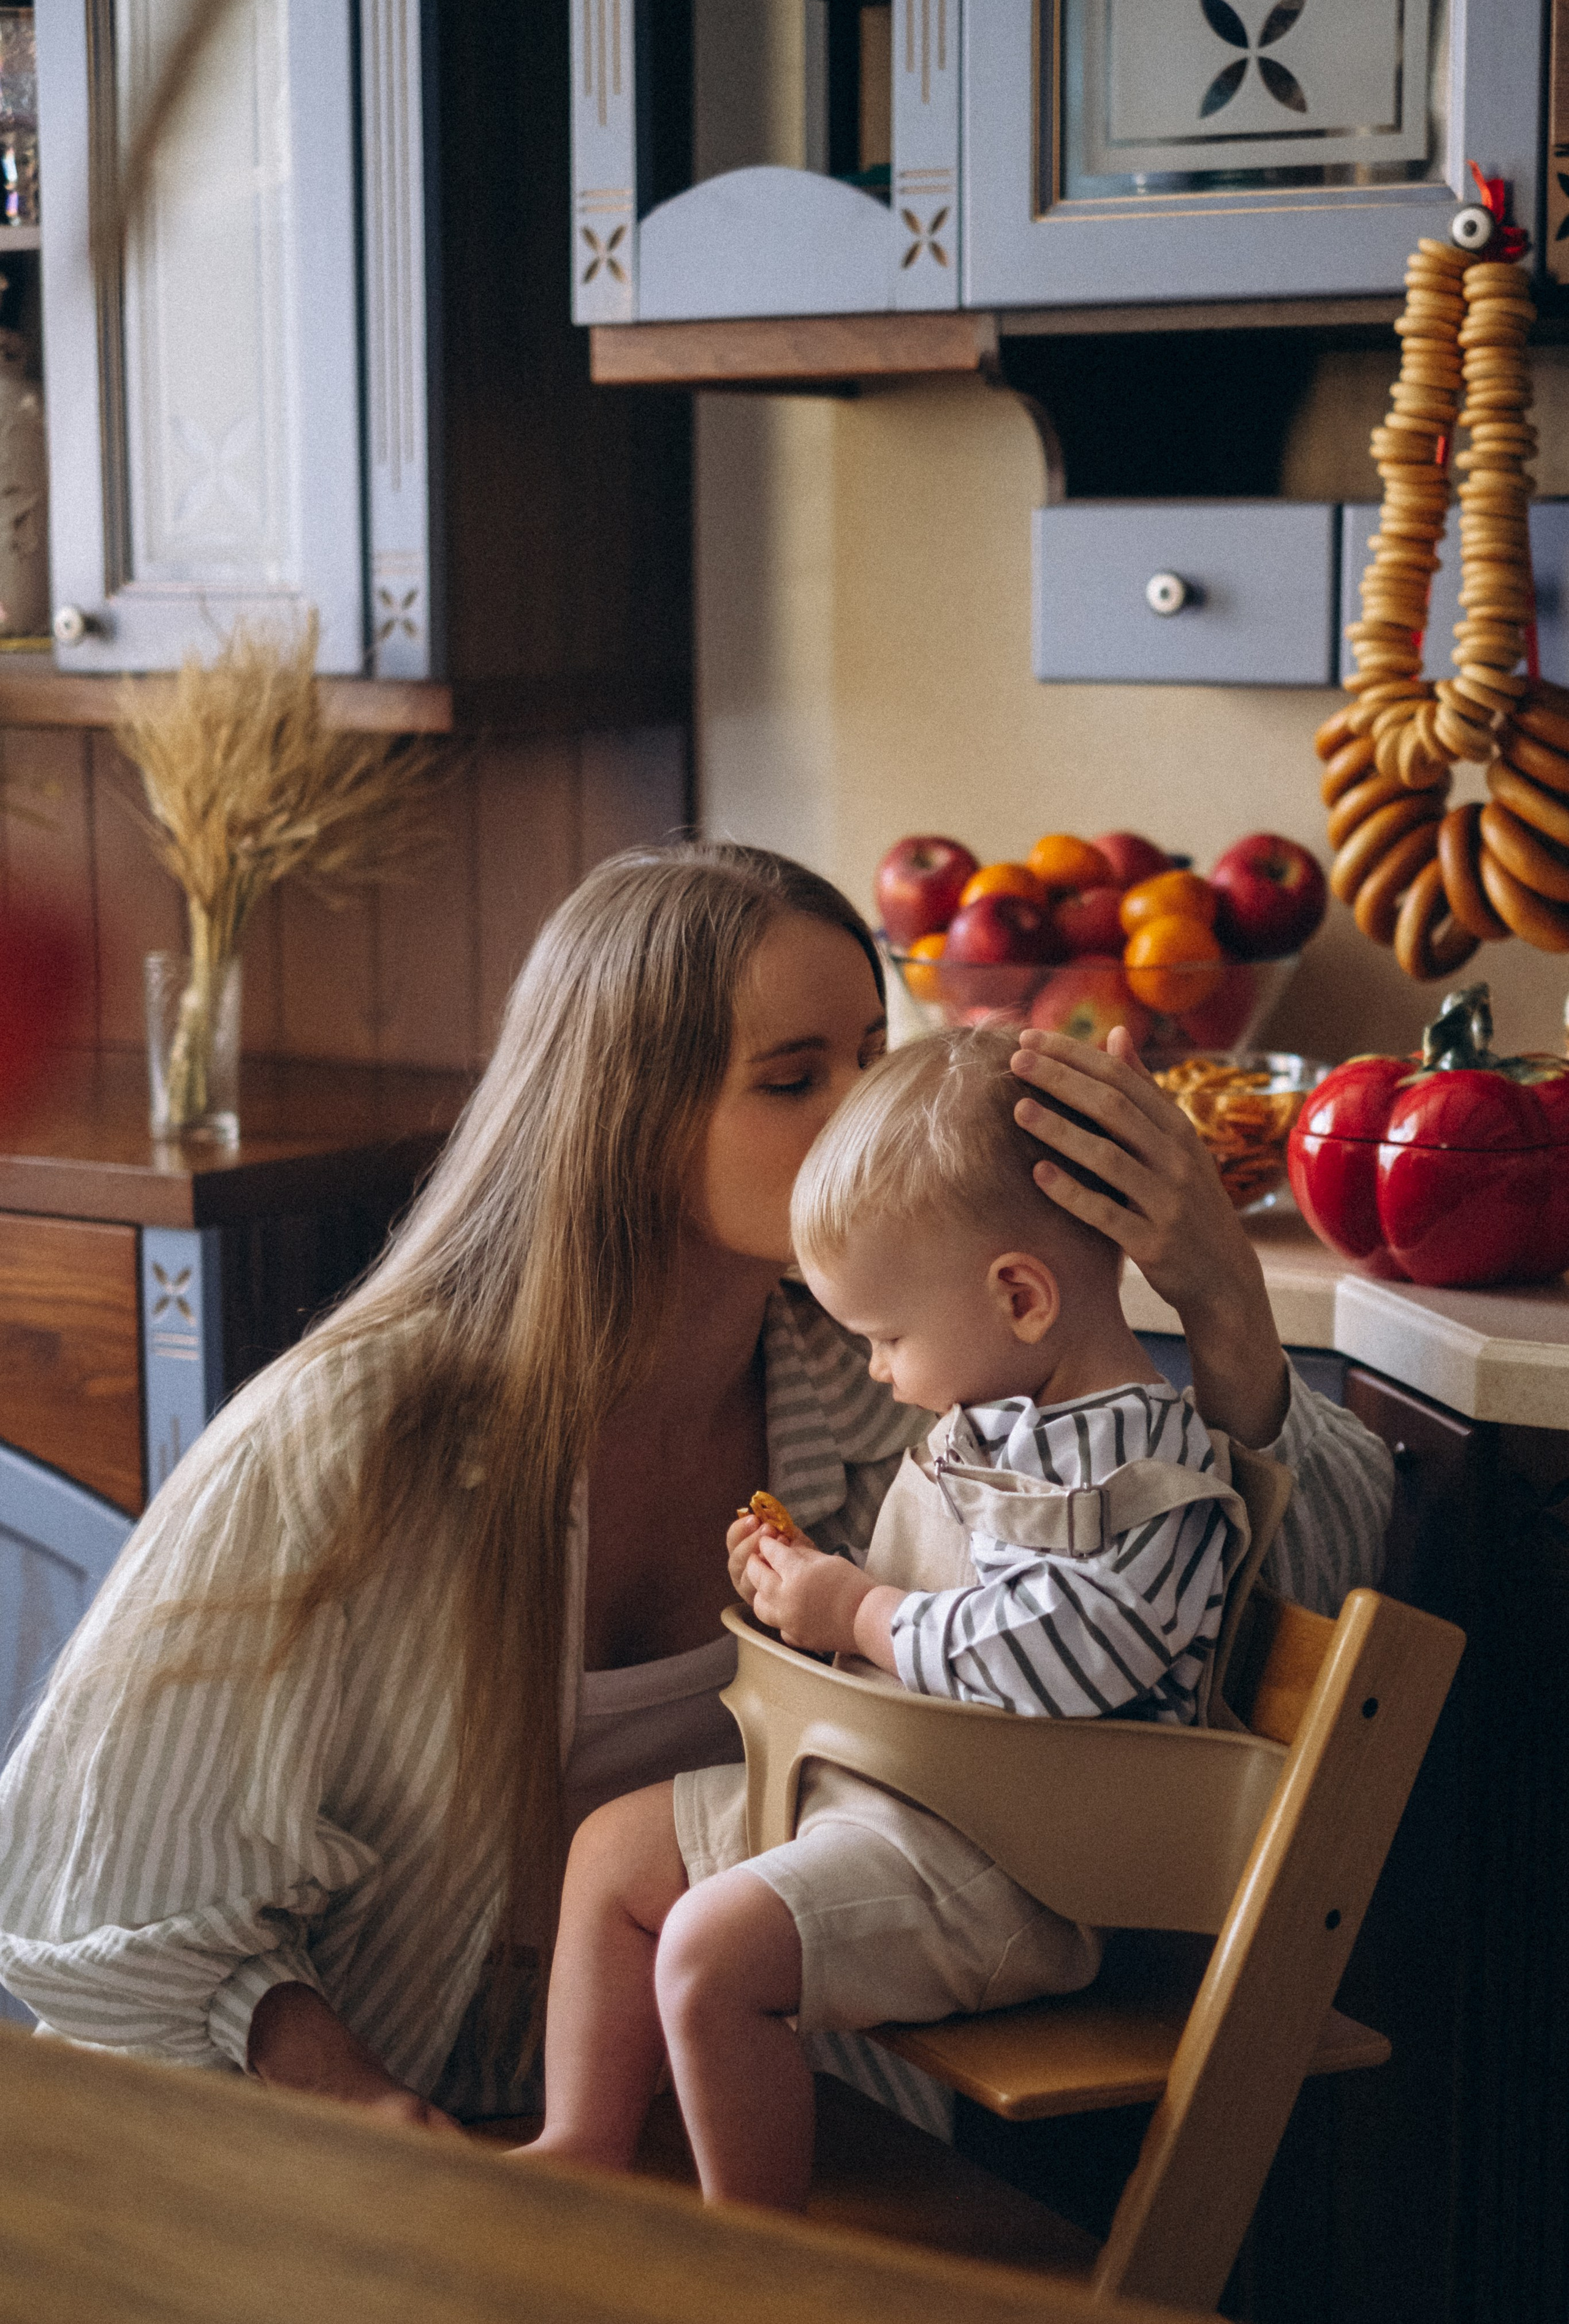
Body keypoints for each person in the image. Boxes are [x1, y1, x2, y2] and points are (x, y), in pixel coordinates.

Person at [0, 843, 1391, 2132]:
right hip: (401, 2138)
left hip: (793, 2130)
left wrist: (1218, 1304)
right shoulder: (353, 1432)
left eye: (869, 1056)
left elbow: (1276, 1644)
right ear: (623, 1119)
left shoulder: (902, 1400)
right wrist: (376, 2128)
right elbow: (106, 1893)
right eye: (792, 1081)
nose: (863, 1117)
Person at [526, 1025, 1267, 2208]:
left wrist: (860, 1612)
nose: (873, 1371)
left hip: (1019, 1871)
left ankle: (759, 2253)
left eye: (886, 1338)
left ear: (1020, 1297)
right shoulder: (1000, 1419)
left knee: (712, 1952)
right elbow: (943, 1610)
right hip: (904, 1805)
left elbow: (1058, 1662)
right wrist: (810, 1585)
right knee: (612, 1851)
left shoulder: (1140, 1472)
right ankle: (581, 2150)